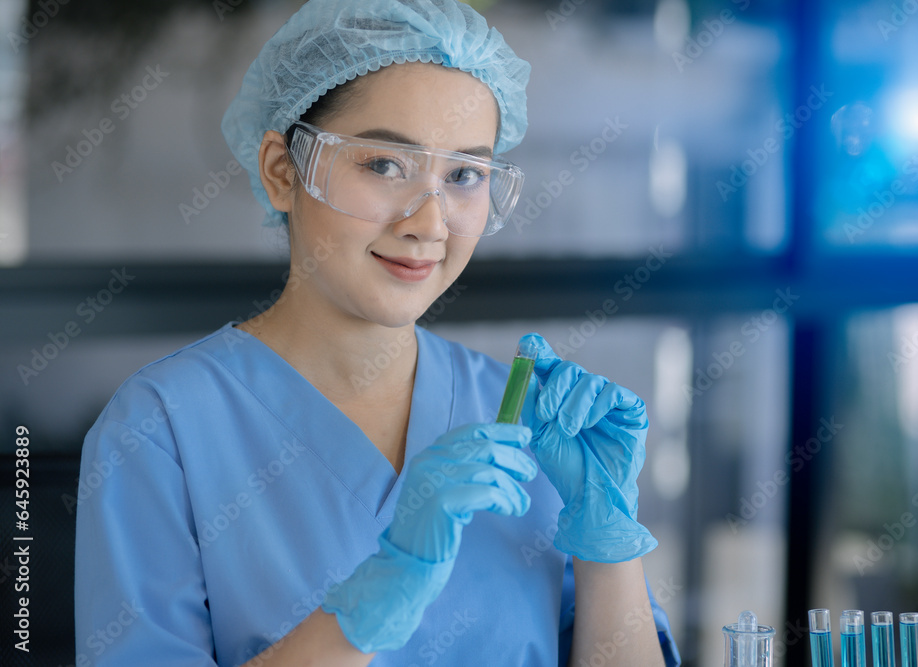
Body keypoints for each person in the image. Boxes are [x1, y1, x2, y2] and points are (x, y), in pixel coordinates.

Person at [74, 1, 681, 665]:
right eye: (385, 165)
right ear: (283, 171)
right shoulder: (162, 429)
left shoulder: (530, 421)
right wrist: (378, 595)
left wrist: (607, 538)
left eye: (465, 175)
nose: (429, 222)